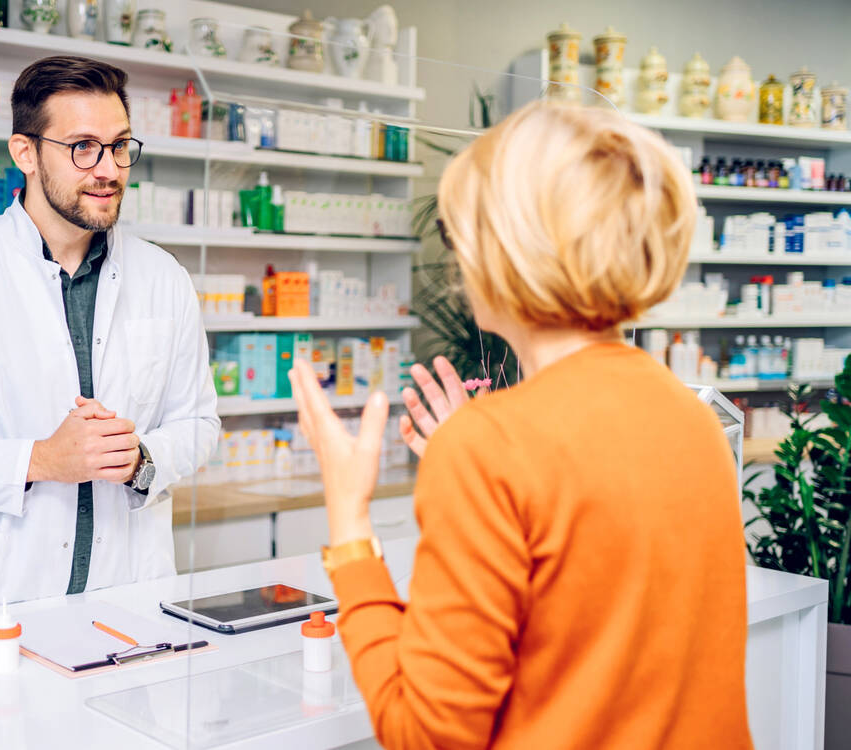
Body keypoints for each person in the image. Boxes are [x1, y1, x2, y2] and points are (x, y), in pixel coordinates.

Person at [290, 100, 754, 748]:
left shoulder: (492, 449)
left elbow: (425, 733)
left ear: (506, 252)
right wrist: (479, 450)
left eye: (464, 236)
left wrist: (347, 517)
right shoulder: (691, 418)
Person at [0, 56, 219, 619]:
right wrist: (39, 460)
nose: (109, 170)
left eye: (120, 146)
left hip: (128, 597)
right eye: (83, 147)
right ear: (25, 153)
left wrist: (141, 458)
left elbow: (199, 423)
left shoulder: (164, 278)